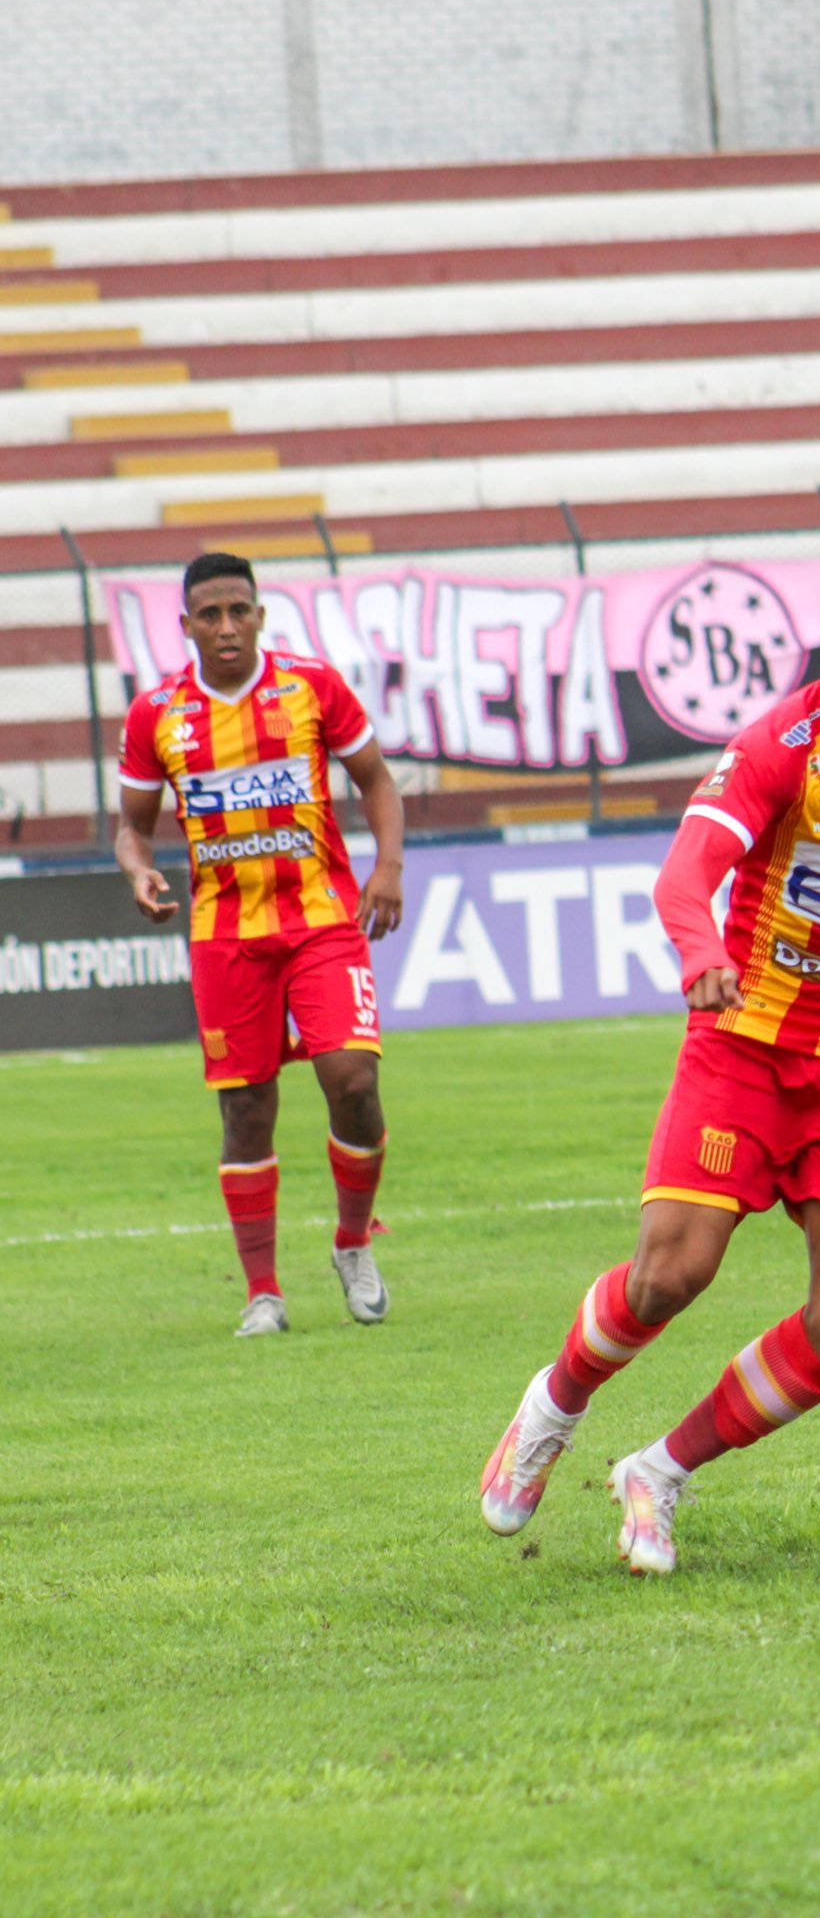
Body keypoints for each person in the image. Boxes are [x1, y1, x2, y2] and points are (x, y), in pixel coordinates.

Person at [479, 549, 820, 1575]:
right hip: (748, 1045)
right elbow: (685, 874)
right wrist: (701, 957)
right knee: (672, 1272)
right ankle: (552, 1406)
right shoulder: (782, 746)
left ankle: (660, 1471)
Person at [114, 551, 405, 1335]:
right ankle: (263, 1292)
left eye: (239, 610)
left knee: (353, 1081)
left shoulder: (310, 685)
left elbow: (375, 777)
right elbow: (131, 829)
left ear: (260, 615)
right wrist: (138, 873)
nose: (227, 627)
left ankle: (352, 1241)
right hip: (225, 934)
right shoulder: (158, 715)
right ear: (186, 627)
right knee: (246, 1109)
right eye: (209, 615)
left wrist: (389, 868)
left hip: (319, 919)